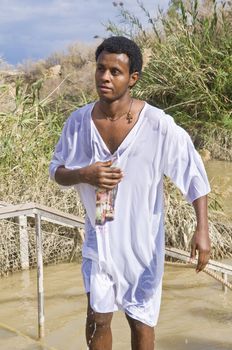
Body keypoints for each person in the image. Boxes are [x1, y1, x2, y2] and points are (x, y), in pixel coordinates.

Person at [49, 36, 211, 350]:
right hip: (100, 236)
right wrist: (85, 173)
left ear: (132, 78)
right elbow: (56, 169)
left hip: (143, 243)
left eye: (115, 71)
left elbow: (194, 174)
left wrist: (202, 229)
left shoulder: (157, 126)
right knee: (98, 318)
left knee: (141, 323)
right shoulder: (79, 123)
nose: (105, 77)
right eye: (100, 69)